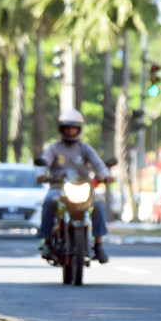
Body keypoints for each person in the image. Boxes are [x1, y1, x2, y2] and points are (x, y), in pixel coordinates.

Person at [37, 109, 112, 264]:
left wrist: (106, 175)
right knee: (49, 201)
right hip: (59, 187)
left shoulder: (84, 148)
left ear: (79, 128)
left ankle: (98, 244)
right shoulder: (55, 148)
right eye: (67, 127)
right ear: (61, 128)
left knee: (98, 202)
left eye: (73, 127)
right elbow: (44, 162)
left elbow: (99, 164)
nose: (70, 130)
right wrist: (42, 174)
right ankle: (47, 241)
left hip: (83, 188)